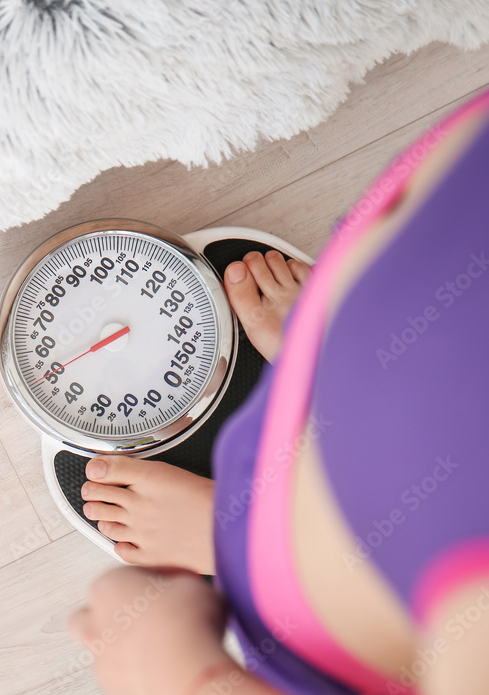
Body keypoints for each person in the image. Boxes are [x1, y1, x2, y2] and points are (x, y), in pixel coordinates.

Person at [68, 89, 489, 694]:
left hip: (372, 571)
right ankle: (319, 366)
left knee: (335, 513)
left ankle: (236, 531)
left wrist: (187, 676)